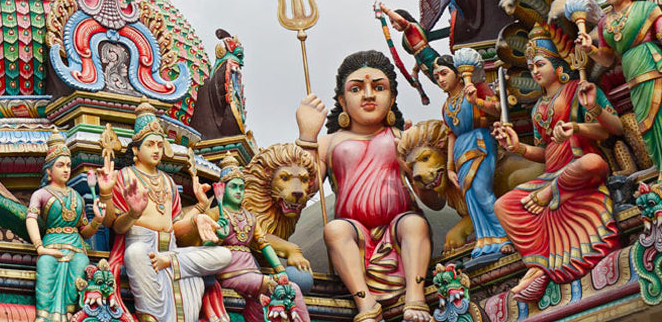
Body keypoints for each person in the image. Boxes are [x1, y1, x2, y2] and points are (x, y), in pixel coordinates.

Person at [296, 51, 434, 322]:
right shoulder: (328, 143)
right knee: (335, 230)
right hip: (354, 234)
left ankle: (415, 297)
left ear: (392, 98)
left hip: (399, 228)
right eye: (357, 89)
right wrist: (307, 136)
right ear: (342, 101)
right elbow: (304, 192)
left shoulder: (402, 137)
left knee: (414, 224)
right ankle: (366, 305)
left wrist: (417, 169)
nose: (369, 95)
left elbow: (434, 202)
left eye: (379, 88)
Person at [493, 26, 620, 300]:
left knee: (592, 163)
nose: (534, 71)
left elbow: (611, 129)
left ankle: (550, 197)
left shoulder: (578, 90)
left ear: (558, 66)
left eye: (540, 64)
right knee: (503, 205)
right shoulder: (537, 108)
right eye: (531, 67)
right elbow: (544, 152)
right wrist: (517, 147)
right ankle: (538, 265)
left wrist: (578, 126)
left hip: (577, 169)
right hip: (552, 175)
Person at [97, 102, 230, 322]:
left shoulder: (168, 181)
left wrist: (199, 212)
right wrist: (126, 208)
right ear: (136, 150)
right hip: (142, 246)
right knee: (135, 253)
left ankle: (169, 261)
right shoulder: (125, 176)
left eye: (160, 144)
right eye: (150, 144)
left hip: (171, 251)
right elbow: (113, 224)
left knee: (224, 255)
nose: (157, 150)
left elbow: (175, 226)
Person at [576, 0, 662, 169]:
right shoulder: (604, 23)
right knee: (646, 124)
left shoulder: (646, 9)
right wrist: (589, 49)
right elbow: (608, 60)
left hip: (653, 65)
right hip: (632, 77)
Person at [209, 154, 309, 322]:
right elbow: (202, 246)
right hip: (230, 272)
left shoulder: (251, 218)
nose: (238, 191)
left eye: (242, 187)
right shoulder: (214, 214)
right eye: (233, 187)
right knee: (278, 288)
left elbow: (264, 244)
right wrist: (218, 237)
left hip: (252, 272)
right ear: (222, 189)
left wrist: (280, 269)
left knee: (291, 290)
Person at [432, 56, 511, 258]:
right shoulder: (446, 106)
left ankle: (505, 234)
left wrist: (476, 101)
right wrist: (449, 168)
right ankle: (486, 239)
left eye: (444, 73)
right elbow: (451, 134)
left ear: (457, 73)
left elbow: (498, 109)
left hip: (480, 141)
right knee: (471, 197)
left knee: (481, 190)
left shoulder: (476, 88)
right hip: (460, 149)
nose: (440, 79)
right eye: (437, 77)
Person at [26, 131, 103, 322]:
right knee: (45, 266)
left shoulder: (76, 197)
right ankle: (43, 316)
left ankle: (69, 315)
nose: (66, 169)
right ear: (49, 171)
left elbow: (85, 231)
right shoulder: (41, 194)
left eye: (68, 165)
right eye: (60, 165)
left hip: (76, 247)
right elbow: (31, 218)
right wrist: (39, 247)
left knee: (80, 267)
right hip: (51, 243)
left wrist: (97, 220)